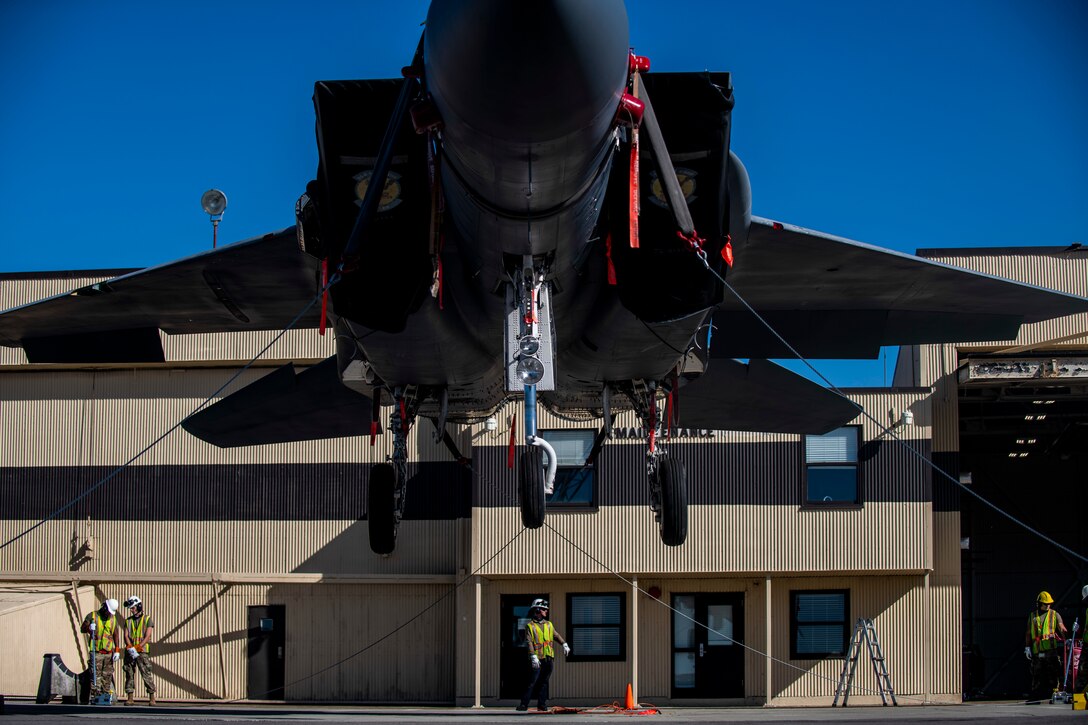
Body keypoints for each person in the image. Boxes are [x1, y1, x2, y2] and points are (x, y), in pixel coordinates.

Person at [517, 598, 570, 712]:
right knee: (532, 682)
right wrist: (533, 656)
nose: (546, 611)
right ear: (538, 610)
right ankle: (523, 704)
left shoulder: (549, 624)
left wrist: (564, 644)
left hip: (548, 658)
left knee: (544, 682)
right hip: (537, 658)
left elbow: (556, 635)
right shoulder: (530, 626)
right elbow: (529, 641)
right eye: (544, 609)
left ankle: (542, 705)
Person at [1024, 590, 1067, 701]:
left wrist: (1065, 633)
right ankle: (1036, 694)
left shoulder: (1054, 614)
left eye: (1049, 603)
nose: (1048, 605)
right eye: (1045, 603)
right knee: (1036, 673)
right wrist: (1027, 647)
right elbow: (1028, 633)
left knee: (1054, 672)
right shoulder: (1032, 616)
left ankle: (1055, 693)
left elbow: (1061, 626)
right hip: (1037, 651)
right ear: (1039, 603)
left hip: (1051, 651)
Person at [80, 598, 122, 704]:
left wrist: (117, 649)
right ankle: (96, 697)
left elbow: (116, 634)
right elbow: (82, 629)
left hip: (108, 652)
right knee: (95, 676)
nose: (109, 613)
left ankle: (105, 696)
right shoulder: (92, 616)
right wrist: (89, 628)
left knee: (107, 676)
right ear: (104, 607)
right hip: (96, 651)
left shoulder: (113, 619)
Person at [122, 596, 157, 706]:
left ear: (139, 606)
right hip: (131, 650)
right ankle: (130, 697)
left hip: (142, 650)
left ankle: (151, 697)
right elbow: (126, 635)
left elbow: (147, 636)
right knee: (129, 673)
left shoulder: (147, 619)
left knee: (145, 673)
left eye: (133, 608)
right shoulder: (128, 621)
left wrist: (138, 646)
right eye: (131, 608)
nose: (131, 610)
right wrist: (130, 646)